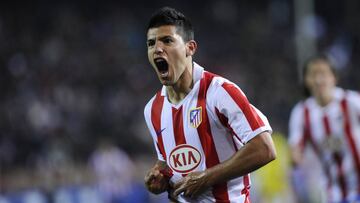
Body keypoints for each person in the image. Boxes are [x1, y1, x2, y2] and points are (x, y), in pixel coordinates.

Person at [143, 7, 276, 202]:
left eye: (167, 40)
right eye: (151, 43)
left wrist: (207, 178)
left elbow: (264, 149)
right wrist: (160, 177)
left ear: (190, 47)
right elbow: (168, 162)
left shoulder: (220, 92)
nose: (158, 48)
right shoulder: (152, 109)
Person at [288, 54, 360, 203]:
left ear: (334, 77)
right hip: (334, 192)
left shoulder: (352, 102)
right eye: (313, 74)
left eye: (323, 74)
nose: (319, 80)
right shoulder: (302, 113)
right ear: (306, 80)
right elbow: (295, 152)